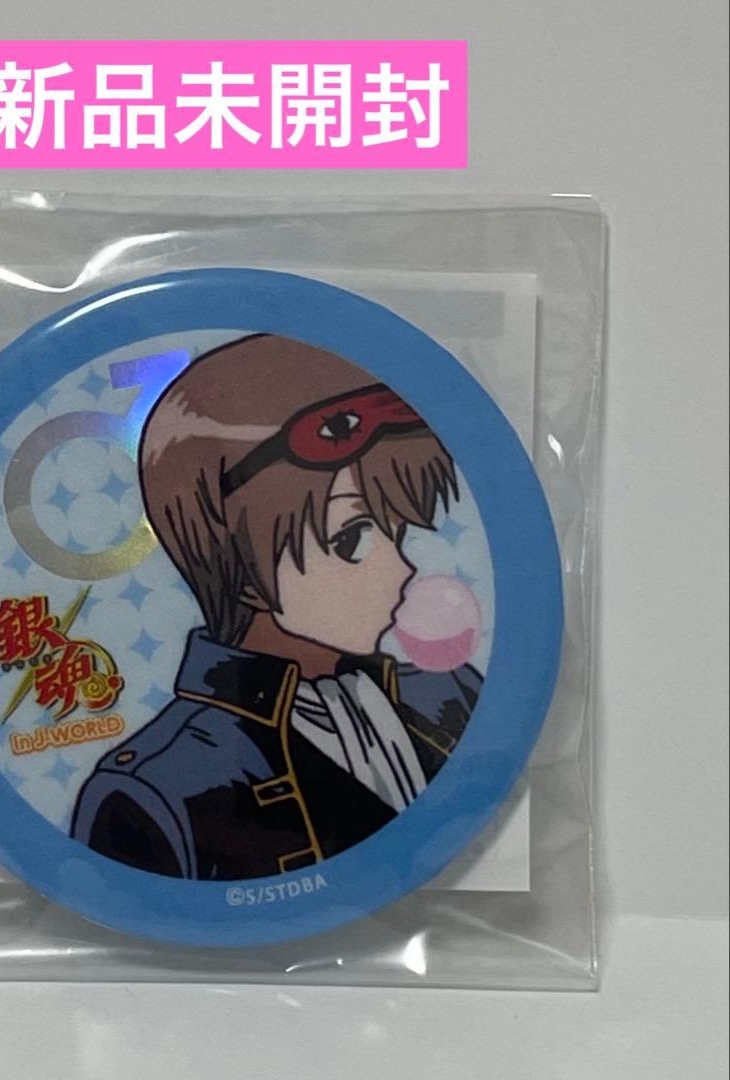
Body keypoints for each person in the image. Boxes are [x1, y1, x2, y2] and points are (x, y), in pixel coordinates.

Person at [71, 334, 482, 880]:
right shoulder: (152, 794)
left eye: (398, 530)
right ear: (238, 566)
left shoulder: (455, 695)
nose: (403, 569)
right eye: (353, 538)